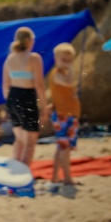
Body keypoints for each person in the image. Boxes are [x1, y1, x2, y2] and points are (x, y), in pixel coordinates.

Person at [2, 27, 47, 166]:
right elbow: (39, 84)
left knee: (20, 139)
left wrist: (9, 104)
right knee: (30, 142)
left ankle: (15, 172)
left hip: (12, 97)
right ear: (28, 41)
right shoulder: (34, 58)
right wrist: (44, 107)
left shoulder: (10, 58)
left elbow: (5, 84)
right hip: (27, 97)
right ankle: (25, 177)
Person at [48, 43, 81, 185]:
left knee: (62, 147)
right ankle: (67, 177)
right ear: (56, 58)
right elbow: (68, 83)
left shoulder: (62, 74)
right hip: (63, 115)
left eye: (69, 60)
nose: (67, 63)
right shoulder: (56, 74)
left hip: (69, 114)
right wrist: (71, 68)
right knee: (64, 148)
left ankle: (55, 176)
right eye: (64, 60)